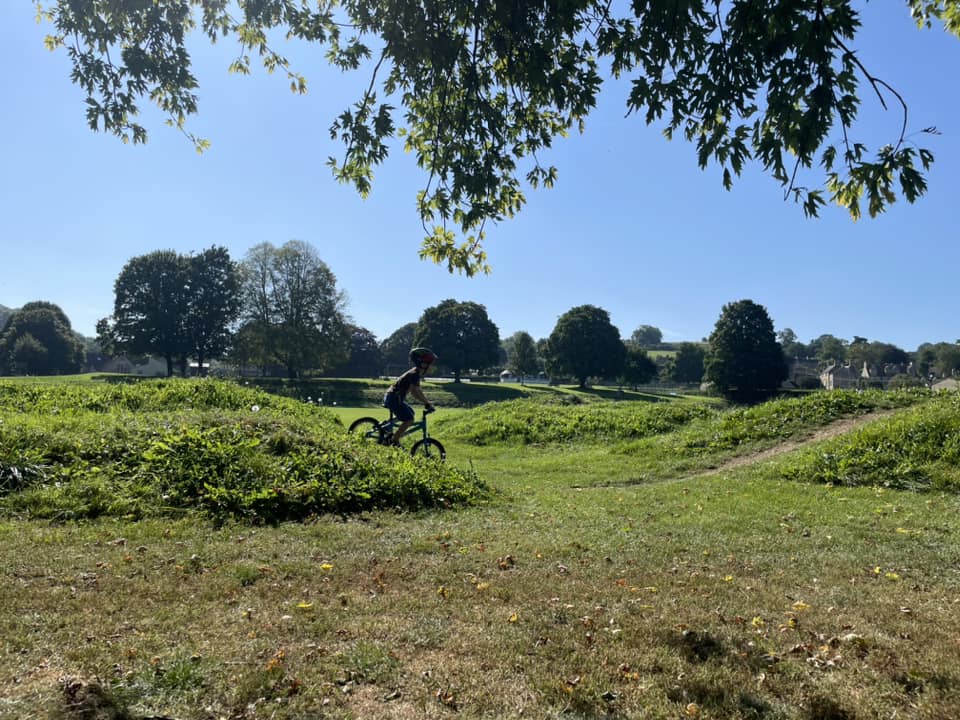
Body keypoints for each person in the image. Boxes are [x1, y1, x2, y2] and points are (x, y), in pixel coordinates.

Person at [382, 347, 437, 445]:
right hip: (394, 398)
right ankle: (393, 440)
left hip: (393, 397)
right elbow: (414, 392)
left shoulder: (415, 373)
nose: (432, 367)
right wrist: (426, 403)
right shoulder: (414, 374)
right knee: (409, 420)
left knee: (410, 412)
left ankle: (387, 425)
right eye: (430, 364)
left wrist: (426, 402)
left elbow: (417, 390)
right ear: (423, 363)